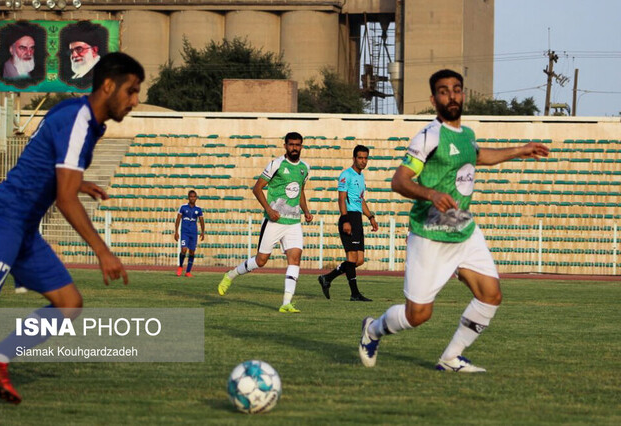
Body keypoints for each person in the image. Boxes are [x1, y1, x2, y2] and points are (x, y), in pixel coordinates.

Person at [359, 69, 549, 372]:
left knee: (491, 295)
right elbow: (399, 181)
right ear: (434, 99)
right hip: (430, 234)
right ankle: (372, 330)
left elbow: (478, 156)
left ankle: (450, 358)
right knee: (418, 315)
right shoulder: (428, 136)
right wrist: (430, 194)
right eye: (444, 91)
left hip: (462, 228)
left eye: (457, 89)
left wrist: (520, 151)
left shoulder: (467, 134)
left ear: (464, 94)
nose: (452, 96)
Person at [0, 52, 145, 404]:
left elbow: (45, 157)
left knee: (69, 304)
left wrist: (78, 183)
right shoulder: (79, 121)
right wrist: (103, 252)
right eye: (131, 91)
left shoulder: (77, 115)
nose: (135, 100)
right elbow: (66, 200)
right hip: (2, 219)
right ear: (107, 85)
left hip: (23, 228)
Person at [217, 132, 313, 313]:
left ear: (301, 146)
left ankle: (286, 303)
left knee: (295, 258)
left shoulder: (305, 168)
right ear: (285, 145)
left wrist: (306, 211)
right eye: (291, 144)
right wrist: (269, 210)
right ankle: (231, 275)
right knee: (261, 261)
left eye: (298, 145)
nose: (294, 148)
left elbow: (299, 191)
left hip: (293, 222)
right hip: (274, 221)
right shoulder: (276, 164)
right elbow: (257, 188)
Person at [318, 145, 378, 301]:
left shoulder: (361, 177)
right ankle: (355, 294)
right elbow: (341, 198)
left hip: (357, 218)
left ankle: (327, 278)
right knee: (351, 258)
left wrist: (370, 217)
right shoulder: (346, 175)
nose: (363, 161)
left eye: (365, 158)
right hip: (349, 217)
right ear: (354, 158)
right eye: (360, 158)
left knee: (359, 260)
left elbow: (360, 199)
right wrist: (345, 219)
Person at [174, 190, 205, 277]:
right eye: (191, 196)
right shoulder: (183, 207)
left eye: (194, 196)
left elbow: (202, 221)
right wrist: (176, 232)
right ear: (188, 197)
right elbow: (178, 219)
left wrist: (203, 232)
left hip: (193, 233)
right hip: (185, 232)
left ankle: (188, 272)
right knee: (184, 249)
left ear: (196, 198)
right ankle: (180, 266)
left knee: (192, 252)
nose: (192, 198)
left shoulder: (198, 209)